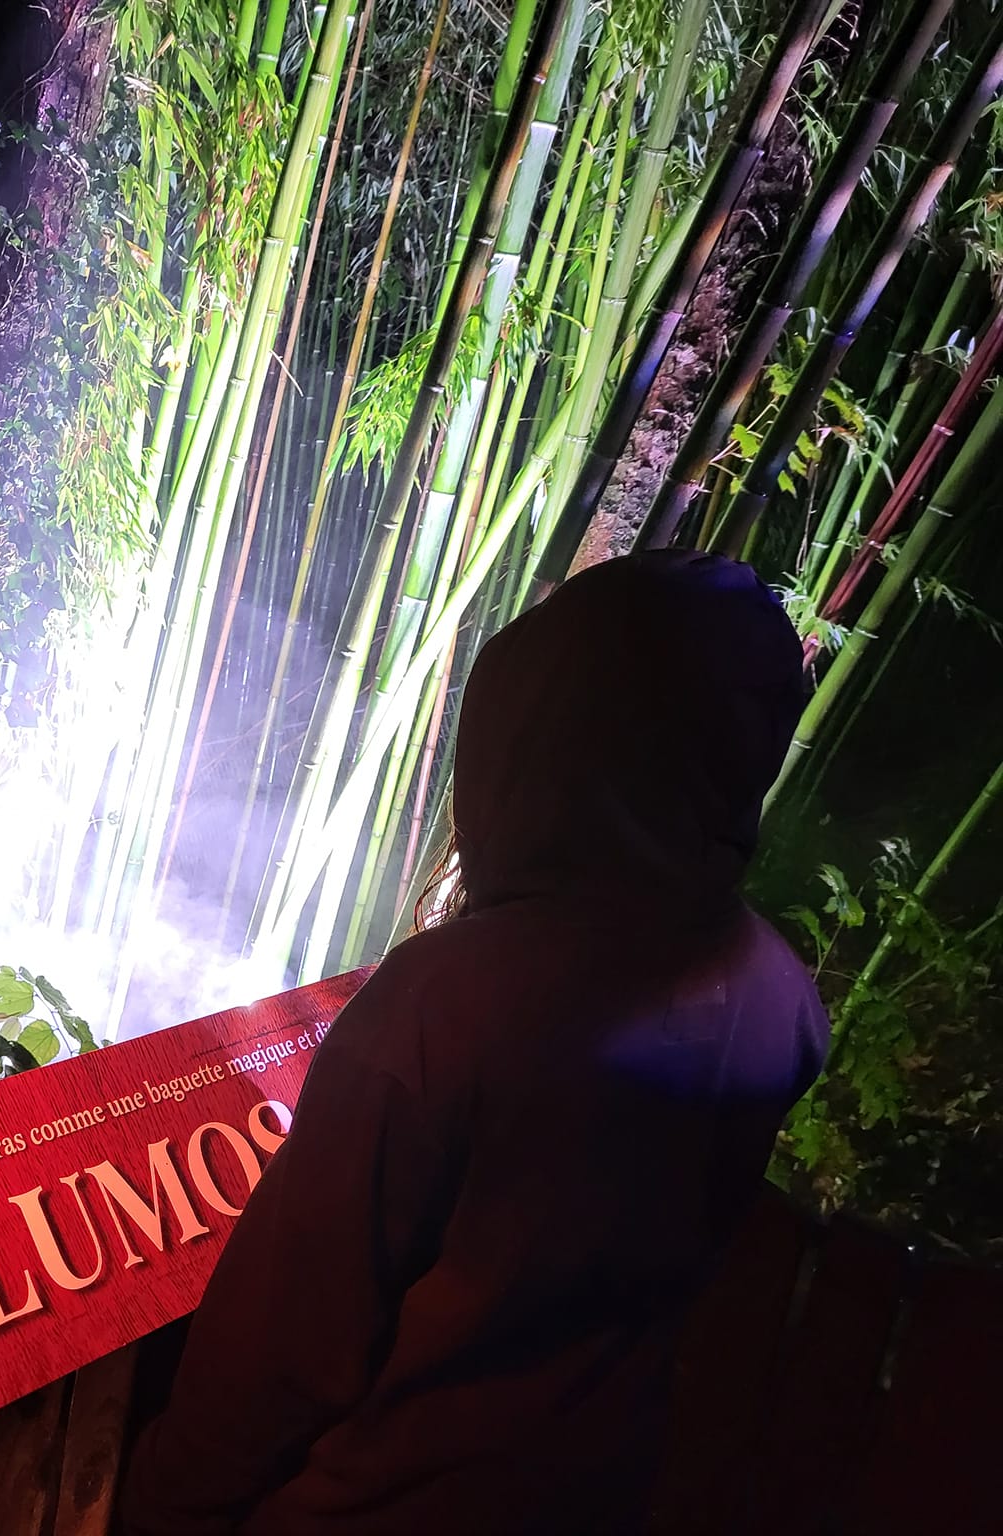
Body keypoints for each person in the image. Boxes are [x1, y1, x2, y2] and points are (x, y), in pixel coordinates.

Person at [121, 551, 829, 1535]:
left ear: (547, 744)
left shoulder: (444, 1008)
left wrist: (156, 1506)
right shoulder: (781, 996)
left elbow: (275, 1357)